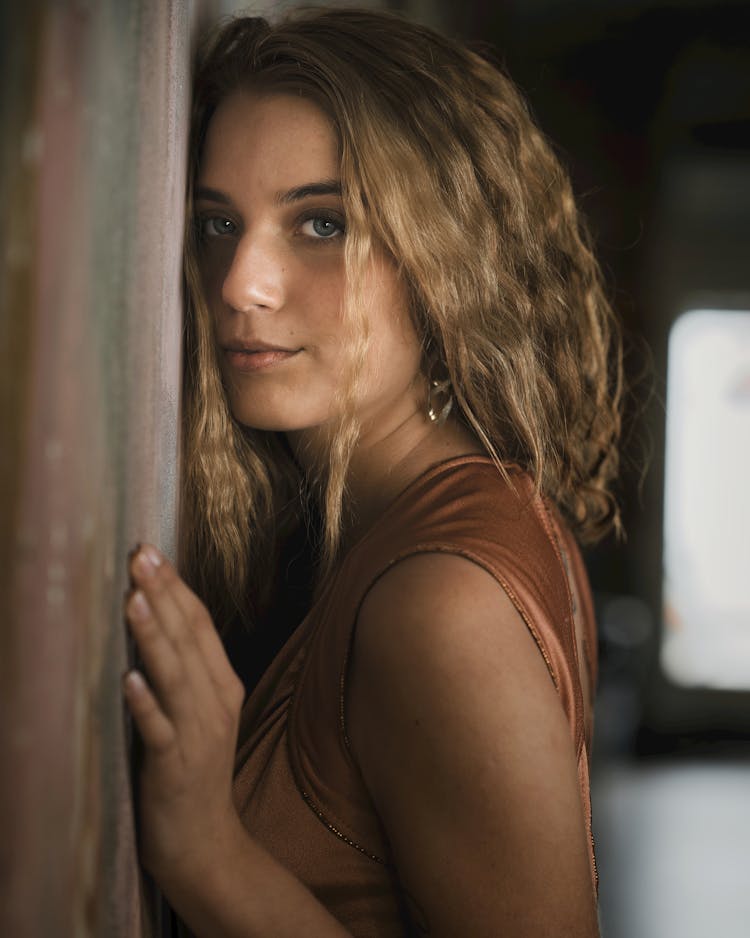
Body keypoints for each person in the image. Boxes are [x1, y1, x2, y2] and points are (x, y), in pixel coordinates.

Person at [122, 7, 622, 937]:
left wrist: (208, 855)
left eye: (321, 223)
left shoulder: (441, 601)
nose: (240, 283)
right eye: (217, 223)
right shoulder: (444, 515)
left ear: (445, 260)